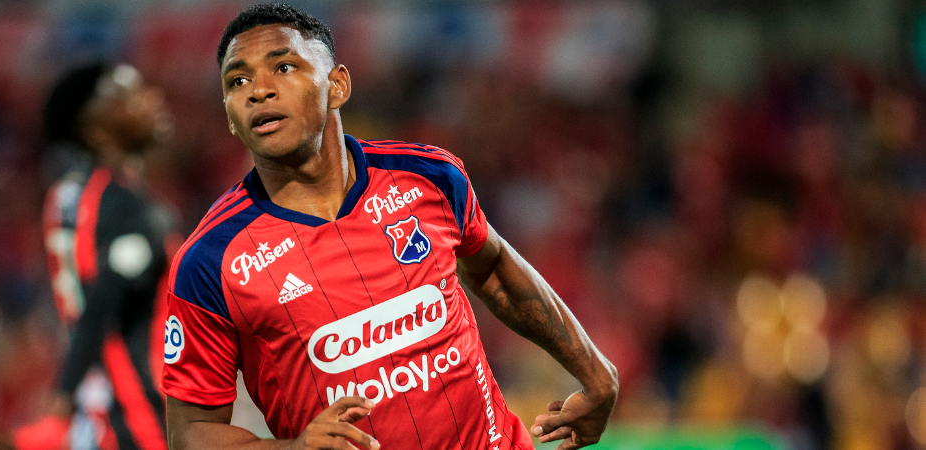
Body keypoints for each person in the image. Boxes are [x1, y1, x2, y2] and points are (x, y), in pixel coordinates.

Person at [161, 4, 618, 450]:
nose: (259, 90)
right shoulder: (209, 260)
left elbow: (492, 267)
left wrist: (595, 373)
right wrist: (295, 448)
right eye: (238, 81)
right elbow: (192, 430)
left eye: (283, 67)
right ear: (230, 115)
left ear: (338, 85)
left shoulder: (427, 176)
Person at [33, 61, 174, 450]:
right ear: (96, 130)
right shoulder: (129, 207)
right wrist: (56, 410)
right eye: (128, 93)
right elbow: (102, 303)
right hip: (140, 423)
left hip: (94, 420)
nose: (152, 98)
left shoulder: (65, 198)